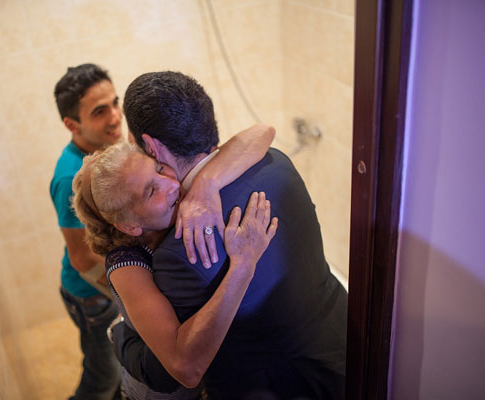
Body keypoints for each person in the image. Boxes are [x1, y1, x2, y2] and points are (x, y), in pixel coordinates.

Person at [114, 71, 348, 399]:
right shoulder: (277, 161)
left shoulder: (181, 249)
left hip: (276, 387)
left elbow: (174, 369)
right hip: (342, 339)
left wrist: (120, 335)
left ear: (150, 147)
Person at [71, 121, 278, 399]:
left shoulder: (176, 197)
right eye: (150, 192)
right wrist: (243, 266)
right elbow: (185, 368)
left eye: (158, 169)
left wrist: (206, 182)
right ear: (129, 225)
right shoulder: (125, 264)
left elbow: (263, 132)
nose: (171, 184)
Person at [50, 63, 122, 400]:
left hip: (106, 285)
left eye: (115, 103)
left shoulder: (102, 150)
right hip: (92, 295)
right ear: (71, 124)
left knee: (120, 374)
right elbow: (82, 258)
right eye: (99, 111)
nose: (115, 117)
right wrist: (132, 289)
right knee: (102, 381)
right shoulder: (70, 177)